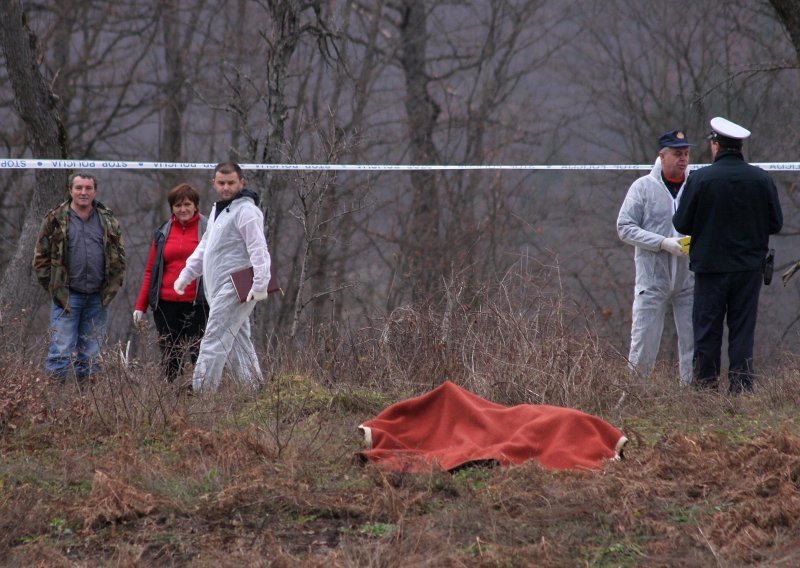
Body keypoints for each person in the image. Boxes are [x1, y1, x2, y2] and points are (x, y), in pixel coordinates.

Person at [673, 117, 783, 393]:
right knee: (742, 328)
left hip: (710, 268)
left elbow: (681, 223)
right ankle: (742, 387)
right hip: (748, 269)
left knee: (707, 329)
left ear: (715, 145)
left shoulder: (700, 179)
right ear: (740, 147)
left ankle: (706, 387)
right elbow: (776, 223)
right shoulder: (761, 178)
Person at [173, 162, 271, 392]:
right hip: (219, 285)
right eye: (221, 183)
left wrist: (260, 282)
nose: (226, 187)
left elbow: (259, 248)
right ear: (214, 183)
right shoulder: (220, 210)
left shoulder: (246, 211)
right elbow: (206, 247)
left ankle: (201, 392)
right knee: (237, 339)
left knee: (213, 337)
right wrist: (187, 274)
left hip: (238, 282)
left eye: (231, 183)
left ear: (241, 183)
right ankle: (254, 389)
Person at [617, 130, 694, 386]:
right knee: (642, 345)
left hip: (690, 279)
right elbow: (625, 227)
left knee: (694, 344)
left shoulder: (696, 185)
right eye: (677, 154)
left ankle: (693, 400)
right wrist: (661, 242)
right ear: (662, 156)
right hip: (651, 281)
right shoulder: (642, 188)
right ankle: (635, 397)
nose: (682, 159)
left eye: (685, 154)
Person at [33, 172, 126, 383]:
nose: (83, 192)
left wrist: (113, 285)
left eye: (88, 188)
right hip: (67, 297)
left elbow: (120, 256)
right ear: (70, 191)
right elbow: (40, 258)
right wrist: (54, 288)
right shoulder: (55, 219)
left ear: (95, 191)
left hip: (98, 297)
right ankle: (53, 405)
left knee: (91, 357)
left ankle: (86, 407)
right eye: (79, 188)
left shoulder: (108, 220)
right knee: (60, 352)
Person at [133, 183, 208, 383]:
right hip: (165, 304)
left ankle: (202, 398)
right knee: (170, 356)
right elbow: (151, 270)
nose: (182, 209)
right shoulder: (163, 233)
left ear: (196, 206)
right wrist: (141, 305)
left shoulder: (209, 229)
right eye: (177, 206)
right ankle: (171, 396)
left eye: (186, 204)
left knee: (199, 353)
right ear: (171, 208)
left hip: (198, 303)